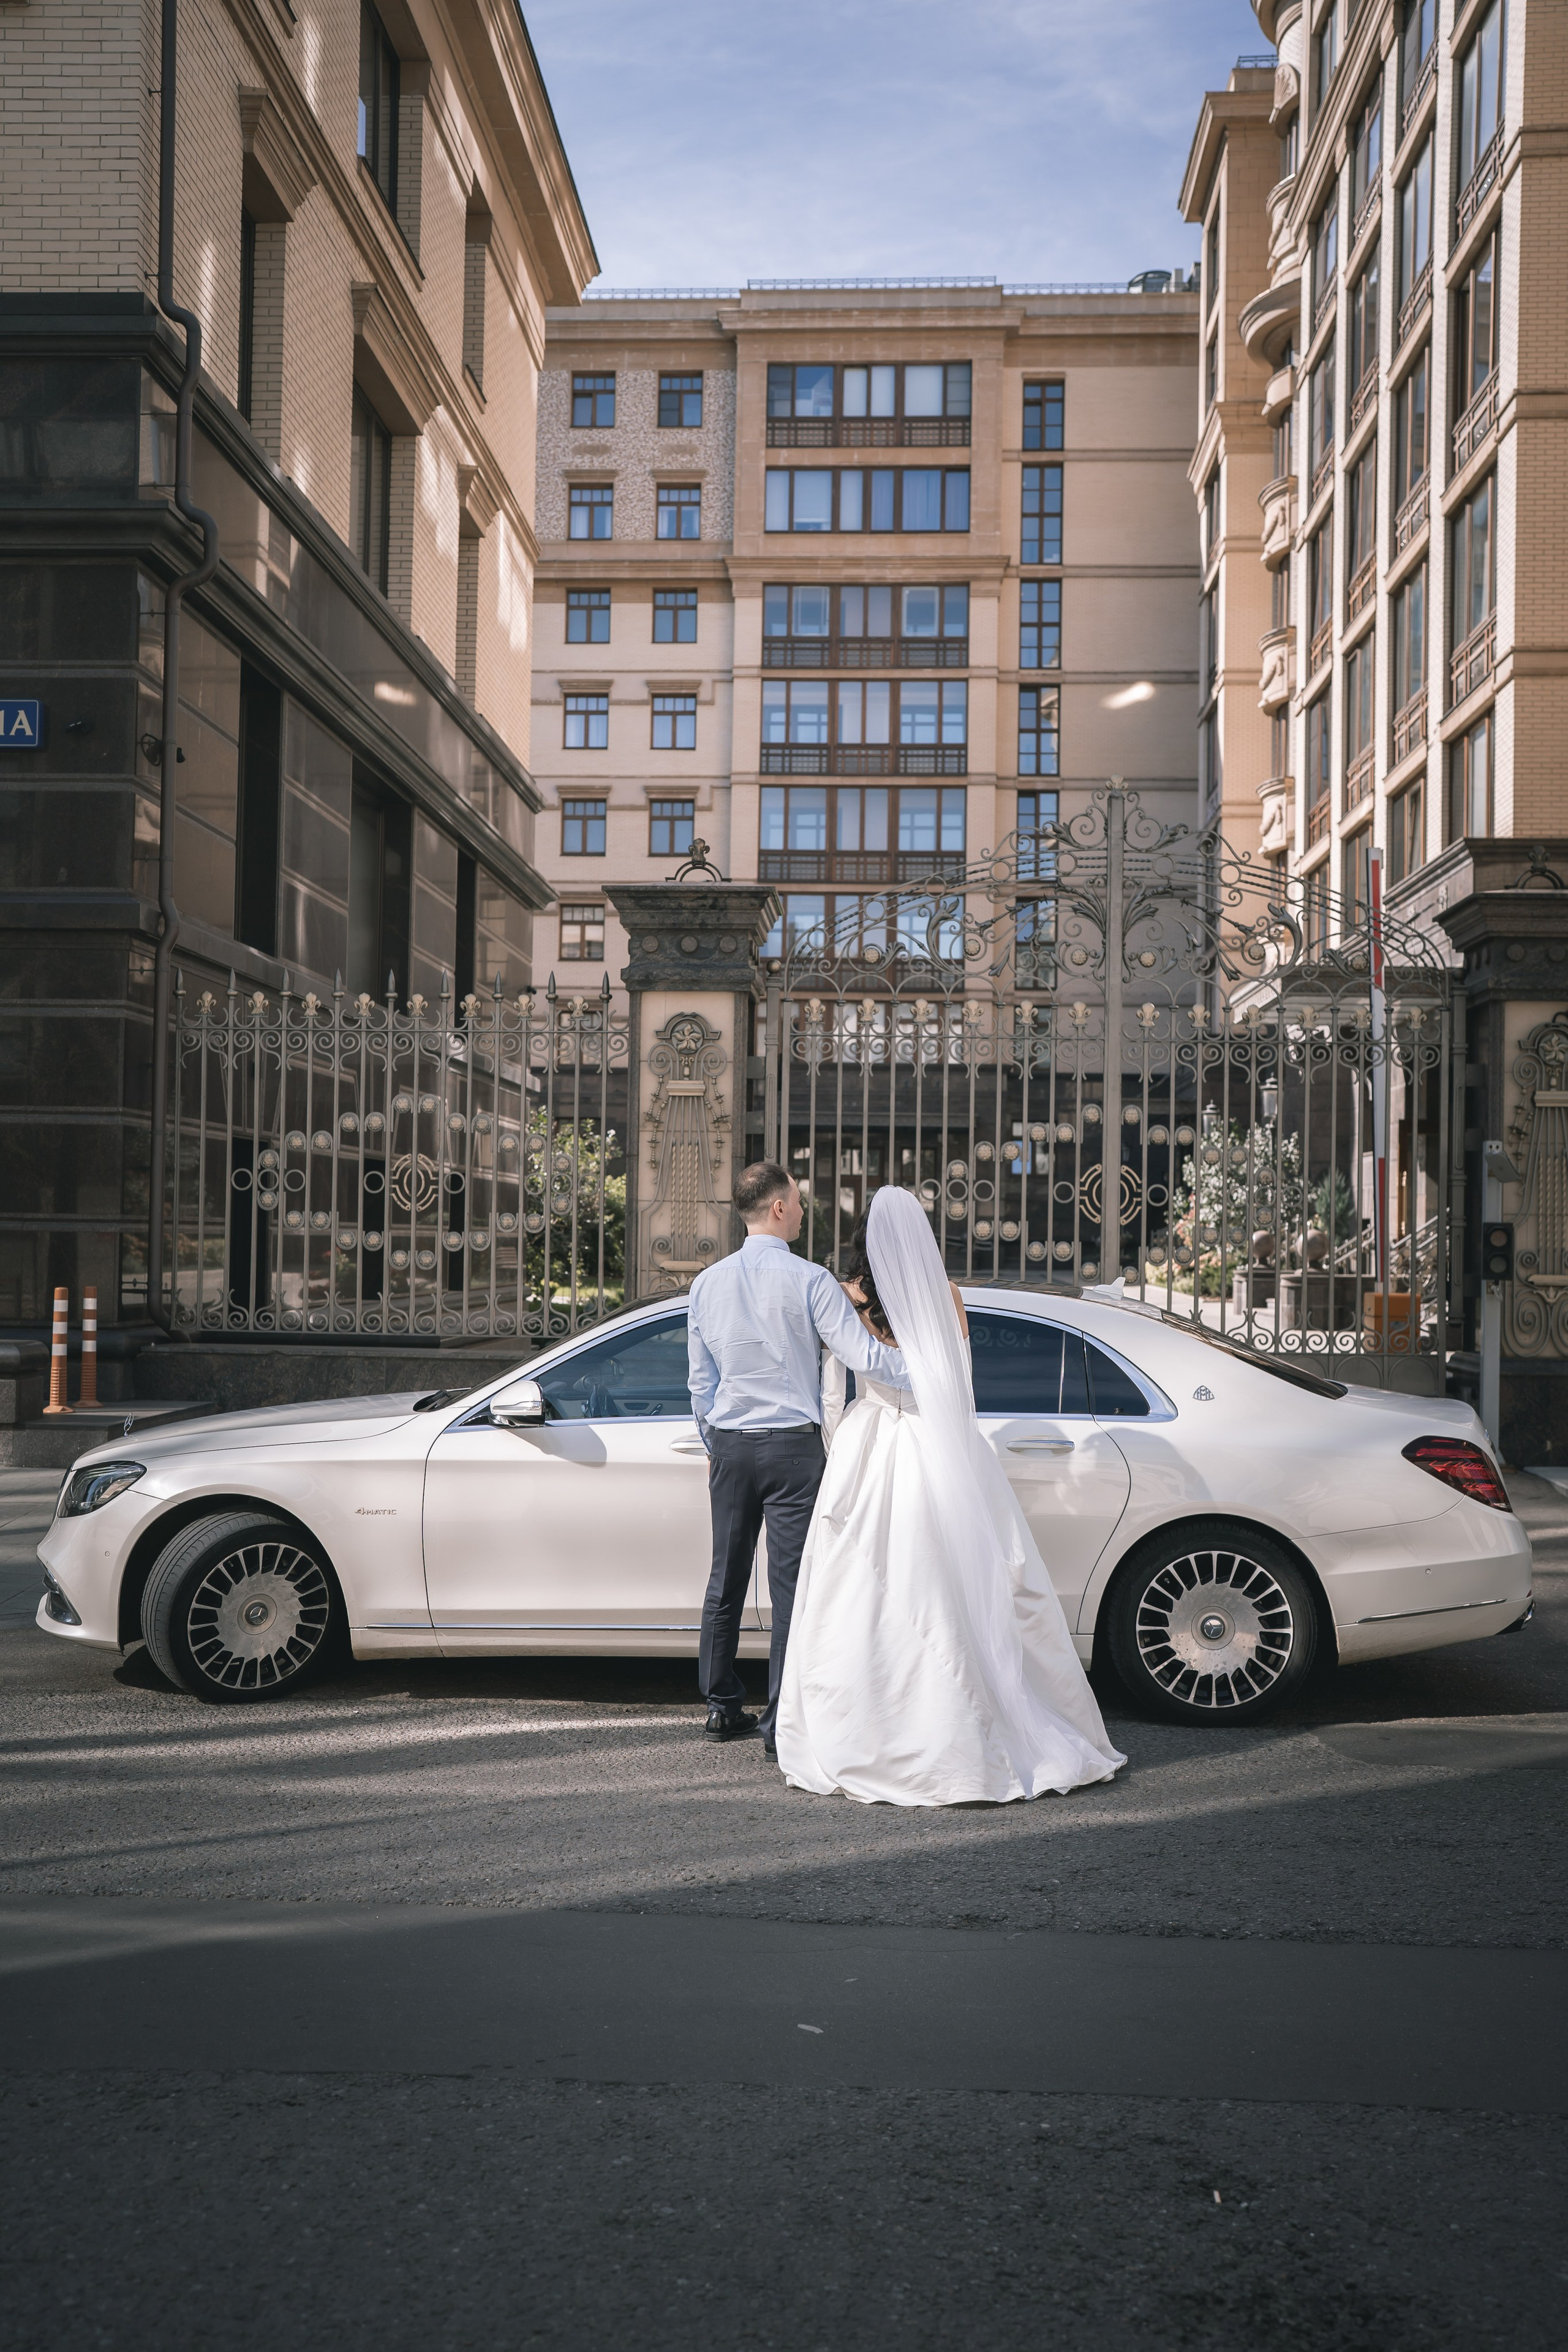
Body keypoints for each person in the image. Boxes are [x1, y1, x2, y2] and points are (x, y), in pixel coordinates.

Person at [774, 1185, 1126, 1806]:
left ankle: (877, 1727)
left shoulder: (851, 1300)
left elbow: (834, 1393)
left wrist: (843, 1444)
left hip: (873, 1445)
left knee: (864, 1588)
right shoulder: (949, 1296)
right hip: (944, 1446)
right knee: (965, 1586)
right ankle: (985, 1728)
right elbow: (958, 1384)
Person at [687, 1161, 911, 1755]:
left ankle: (720, 1706)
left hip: (731, 1447)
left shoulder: (706, 1284)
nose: (804, 1212)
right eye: (799, 1202)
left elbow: (699, 1385)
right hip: (792, 1449)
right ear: (779, 1208)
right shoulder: (809, 1279)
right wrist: (926, 1370)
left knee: (724, 1577)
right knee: (791, 1587)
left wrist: (717, 1445)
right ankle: (777, 1725)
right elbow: (862, 1354)